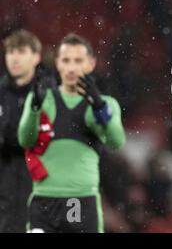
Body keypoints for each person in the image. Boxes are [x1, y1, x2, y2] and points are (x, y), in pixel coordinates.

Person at [18, 33, 126, 233]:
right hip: (44, 201)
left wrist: (100, 107)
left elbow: (116, 142)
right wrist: (34, 108)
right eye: (66, 60)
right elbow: (25, 139)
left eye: (78, 60)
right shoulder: (41, 98)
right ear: (58, 63)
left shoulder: (106, 104)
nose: (71, 67)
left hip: (83, 200)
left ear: (91, 64)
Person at [0, 30, 41, 232]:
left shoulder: (48, 94)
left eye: (21, 51)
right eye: (10, 52)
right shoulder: (1, 92)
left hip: (38, 180)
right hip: (5, 181)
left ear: (36, 57)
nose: (14, 58)